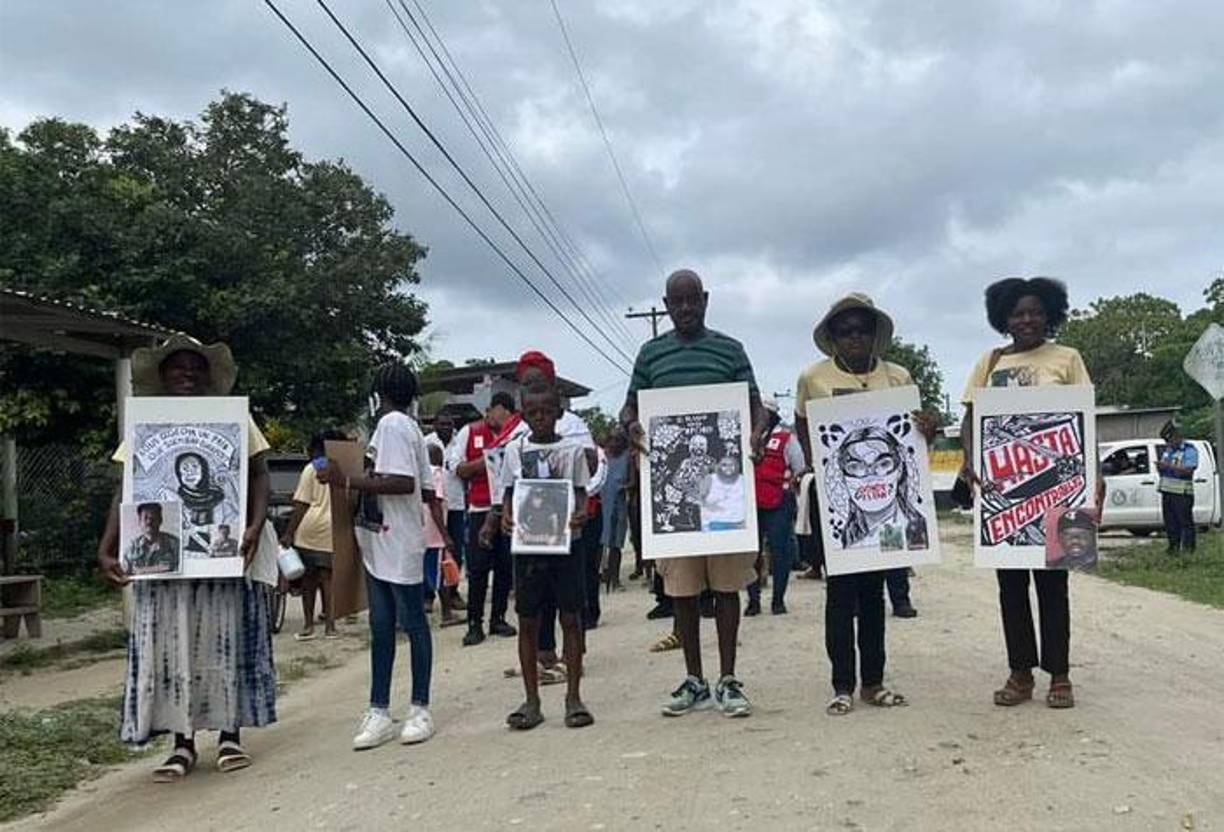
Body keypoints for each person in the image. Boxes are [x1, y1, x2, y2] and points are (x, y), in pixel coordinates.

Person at [97, 335, 276, 781]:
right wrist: (108, 546)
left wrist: (253, 526)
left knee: (224, 639)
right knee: (174, 646)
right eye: (177, 367)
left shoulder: (235, 419)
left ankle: (230, 734)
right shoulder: (145, 423)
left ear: (208, 376)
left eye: (195, 367)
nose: (187, 374)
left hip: (222, 556)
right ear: (162, 376)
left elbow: (259, 476)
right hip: (166, 567)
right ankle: (182, 742)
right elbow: (127, 488)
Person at [621, 268, 768, 719]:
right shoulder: (651, 354)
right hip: (674, 497)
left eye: (692, 300)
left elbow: (755, 404)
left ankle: (727, 678)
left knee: (726, 588)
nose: (685, 309)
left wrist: (757, 434)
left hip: (724, 492)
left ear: (705, 300)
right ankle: (694, 679)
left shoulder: (730, 350)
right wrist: (631, 425)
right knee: (682, 590)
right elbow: (630, 404)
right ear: (665, 305)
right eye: (676, 302)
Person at [794, 294, 938, 716]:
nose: (855, 338)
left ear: (875, 335)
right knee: (839, 594)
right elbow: (802, 423)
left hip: (888, 502)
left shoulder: (898, 377)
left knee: (875, 593)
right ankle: (842, 684)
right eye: (845, 331)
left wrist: (928, 427)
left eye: (862, 330)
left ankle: (872, 682)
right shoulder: (812, 378)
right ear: (833, 338)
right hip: (840, 501)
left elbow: (914, 433)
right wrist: (822, 468)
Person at [960, 276, 1094, 710]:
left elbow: (1084, 423)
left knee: (1054, 585)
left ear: (1050, 313)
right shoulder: (989, 362)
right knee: (1011, 588)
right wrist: (970, 459)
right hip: (1005, 493)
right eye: (1018, 312)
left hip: (1058, 492)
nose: (1027, 319)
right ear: (1003, 318)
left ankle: (1060, 675)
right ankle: (1020, 673)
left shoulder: (1068, 358)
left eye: (1035, 311)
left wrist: (1096, 481)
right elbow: (970, 420)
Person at [321, 363, 451, 750]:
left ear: (378, 393)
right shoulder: (405, 428)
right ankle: (379, 710)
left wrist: (345, 479)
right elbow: (426, 490)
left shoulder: (393, 424)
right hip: (380, 540)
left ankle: (419, 707)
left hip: (395, 541)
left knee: (410, 623)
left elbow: (402, 483)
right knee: (381, 626)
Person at [501, 384, 594, 730]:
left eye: (546, 411)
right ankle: (531, 699)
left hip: (566, 542)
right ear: (524, 414)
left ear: (558, 413)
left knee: (571, 617)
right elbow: (509, 493)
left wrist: (582, 513)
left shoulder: (571, 451)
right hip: (529, 547)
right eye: (533, 412)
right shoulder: (515, 449)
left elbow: (581, 493)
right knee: (528, 620)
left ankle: (573, 697)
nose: (540, 418)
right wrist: (508, 515)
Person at [447, 392, 518, 646]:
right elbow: (456, 467)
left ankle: (497, 618)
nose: (495, 416)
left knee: (504, 567)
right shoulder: (471, 432)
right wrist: (487, 462)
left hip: (509, 510)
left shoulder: (516, 436)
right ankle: (474, 623)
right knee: (477, 570)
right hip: (479, 509)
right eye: (495, 411)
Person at [281, 430, 347, 641]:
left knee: (308, 579)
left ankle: (308, 626)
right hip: (333, 526)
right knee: (328, 578)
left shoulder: (312, 468)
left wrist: (289, 533)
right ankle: (330, 626)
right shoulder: (344, 467)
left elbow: (301, 503)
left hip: (309, 527)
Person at [746, 398, 804, 615]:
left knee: (781, 552)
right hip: (751, 503)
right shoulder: (746, 437)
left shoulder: (786, 438)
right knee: (752, 553)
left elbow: (798, 466)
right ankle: (753, 600)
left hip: (779, 502)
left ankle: (778, 600)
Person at [425, 413, 468, 614]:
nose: (446, 427)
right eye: (442, 424)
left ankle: (453, 592)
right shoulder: (427, 443)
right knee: (433, 554)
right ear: (434, 425)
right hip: (433, 510)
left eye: (450, 424)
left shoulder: (460, 443)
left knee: (455, 551)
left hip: (456, 504)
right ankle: (429, 596)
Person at [423, 442, 461, 626]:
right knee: (441, 576)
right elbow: (435, 504)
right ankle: (447, 614)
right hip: (434, 535)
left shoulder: (419, 474)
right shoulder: (436, 474)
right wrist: (445, 534)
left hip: (420, 533)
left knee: (424, 574)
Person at [1157, 421, 1199, 554]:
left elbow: (1188, 470)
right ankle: (1173, 548)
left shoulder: (1189, 450)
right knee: (1170, 523)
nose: (1169, 443)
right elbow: (1164, 468)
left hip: (1182, 493)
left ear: (1178, 437)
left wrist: (1169, 466)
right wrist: (1161, 467)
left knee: (1185, 523)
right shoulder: (1168, 450)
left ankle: (1188, 550)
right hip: (1167, 492)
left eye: (1171, 439)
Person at [124, 503, 181, 575]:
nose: (149, 522)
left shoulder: (175, 544)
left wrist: (143, 570)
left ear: (160, 520)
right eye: (145, 518)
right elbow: (125, 571)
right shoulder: (132, 547)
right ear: (139, 521)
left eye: (153, 518)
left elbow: (179, 569)